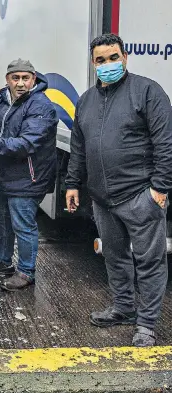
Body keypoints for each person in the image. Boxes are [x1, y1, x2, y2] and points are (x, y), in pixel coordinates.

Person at [65, 33, 172, 347]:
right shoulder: (86, 100)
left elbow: (165, 144)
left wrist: (160, 190)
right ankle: (124, 308)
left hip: (140, 196)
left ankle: (147, 324)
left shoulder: (148, 92)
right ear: (93, 63)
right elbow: (79, 147)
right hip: (103, 199)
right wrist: (73, 183)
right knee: (114, 257)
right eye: (101, 60)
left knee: (149, 262)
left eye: (113, 58)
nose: (108, 64)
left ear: (125, 57)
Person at [0, 59, 58, 291]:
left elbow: (28, 143)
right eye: (15, 78)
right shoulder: (2, 98)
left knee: (23, 226)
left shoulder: (40, 106)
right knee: (3, 221)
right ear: (7, 79)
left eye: (25, 78)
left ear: (33, 79)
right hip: (2, 176)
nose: (20, 83)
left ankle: (26, 272)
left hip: (28, 178)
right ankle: (2, 261)